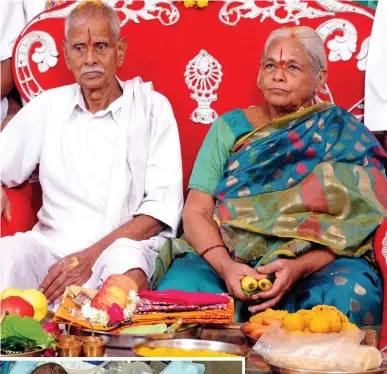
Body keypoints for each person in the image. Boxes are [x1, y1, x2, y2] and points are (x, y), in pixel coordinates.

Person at [153, 26, 387, 326]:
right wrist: (226, 268)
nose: (278, 75)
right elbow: (196, 211)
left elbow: (360, 220)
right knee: (181, 289)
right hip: (229, 258)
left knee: (351, 295)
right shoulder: (230, 128)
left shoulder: (340, 132)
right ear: (259, 75)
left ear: (320, 78)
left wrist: (300, 266)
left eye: (292, 67)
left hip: (313, 264)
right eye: (270, 66)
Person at [0, 1, 183, 303]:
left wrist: (89, 257)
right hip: (53, 249)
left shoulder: (153, 109)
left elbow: (158, 213)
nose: (89, 59)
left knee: (125, 270)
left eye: (101, 46)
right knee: (9, 255)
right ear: (67, 55)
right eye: (79, 49)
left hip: (121, 248)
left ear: (120, 51)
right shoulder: (48, 107)